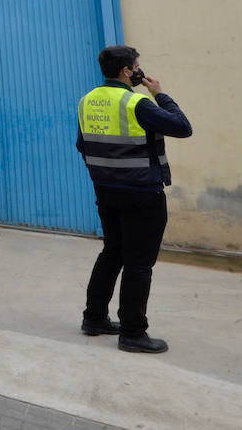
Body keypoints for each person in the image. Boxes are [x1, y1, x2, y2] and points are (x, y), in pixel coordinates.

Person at [77, 45, 192, 354]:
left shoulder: (87, 101)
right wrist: (160, 94)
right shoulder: (136, 101)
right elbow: (183, 128)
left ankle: (95, 318)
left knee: (113, 252)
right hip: (141, 193)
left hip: (105, 191)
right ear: (129, 71)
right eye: (137, 66)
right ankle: (132, 332)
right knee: (139, 264)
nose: (140, 69)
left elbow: (82, 144)